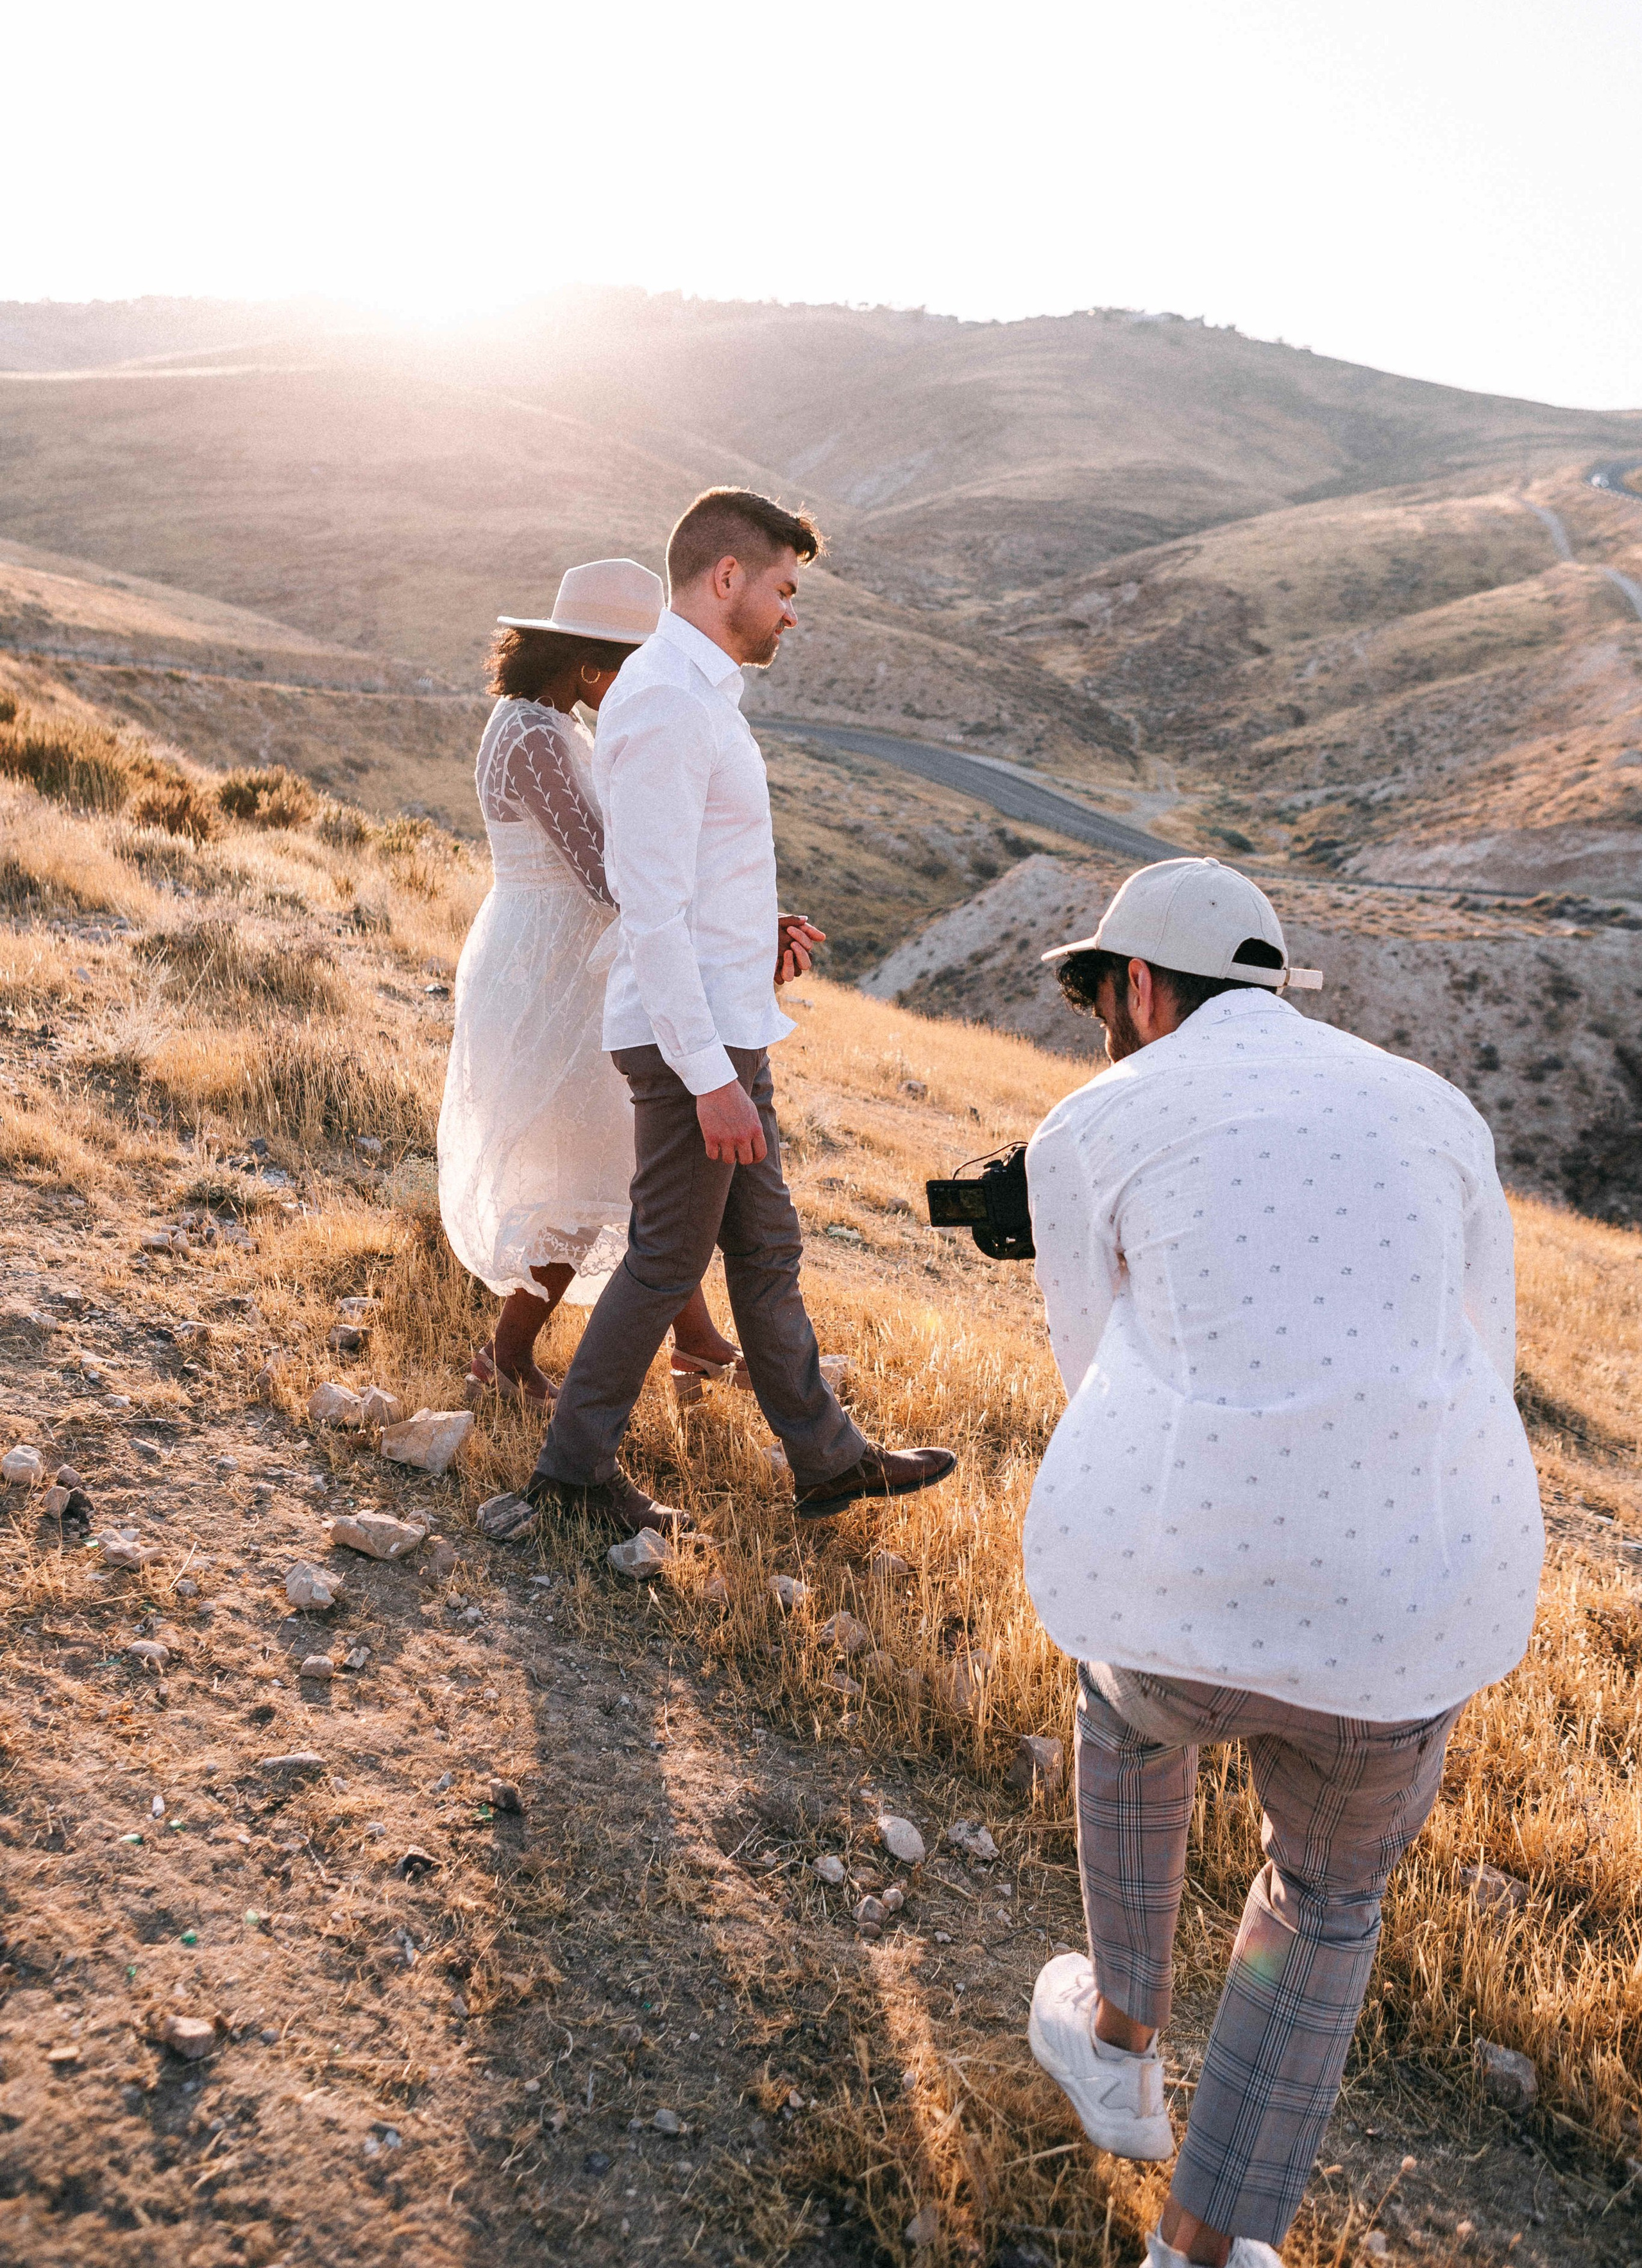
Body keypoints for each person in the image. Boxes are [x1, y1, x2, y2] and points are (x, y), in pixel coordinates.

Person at [1019, 857, 1544, 2268]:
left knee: (1125, 1703)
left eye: (1100, 999)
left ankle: (1120, 2042)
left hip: (1183, 1602)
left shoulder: (1092, 1118)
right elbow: (1476, 1358)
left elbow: (1092, 1372)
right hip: (1403, 1608)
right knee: (1323, 1901)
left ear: (1135, 988)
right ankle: (1203, 2248)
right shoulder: (1438, 1113)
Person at [483, 486, 956, 1542]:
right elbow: (647, 902)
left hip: (726, 1025)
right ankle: (568, 1477)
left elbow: (693, 882)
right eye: (786, 590)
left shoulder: (701, 698)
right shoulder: (661, 700)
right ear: (727, 577)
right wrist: (708, 1077)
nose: (795, 613)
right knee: (663, 1259)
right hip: (686, 1043)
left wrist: (759, 944)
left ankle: (828, 1461)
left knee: (765, 1248)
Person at [437, 558, 741, 1405]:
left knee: (636, 1152)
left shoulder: (544, 722)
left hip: (568, 960)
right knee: (587, 1163)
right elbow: (606, 876)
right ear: (587, 665)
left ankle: (700, 1340)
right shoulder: (535, 735)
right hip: (553, 974)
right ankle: (506, 1358)